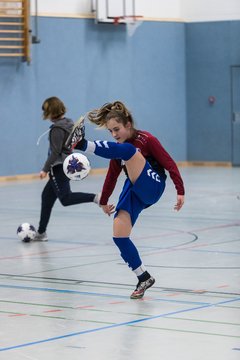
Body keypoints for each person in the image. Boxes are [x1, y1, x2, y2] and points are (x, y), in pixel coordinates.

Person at [65, 101, 185, 299]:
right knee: (119, 235)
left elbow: (169, 163)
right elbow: (112, 175)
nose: (114, 134)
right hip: (133, 190)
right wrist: (103, 200)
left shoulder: (147, 139)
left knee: (130, 151)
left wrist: (180, 190)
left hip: (153, 184)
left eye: (117, 129)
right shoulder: (117, 149)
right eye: (110, 131)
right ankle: (143, 276)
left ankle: (83, 144)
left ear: (128, 124)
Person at [34, 97, 99, 241]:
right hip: (66, 165)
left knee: (65, 198)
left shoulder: (57, 129)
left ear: (51, 112)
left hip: (58, 167)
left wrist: (45, 169)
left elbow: (55, 152)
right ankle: (41, 232)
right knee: (46, 197)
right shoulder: (69, 123)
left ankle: (95, 197)